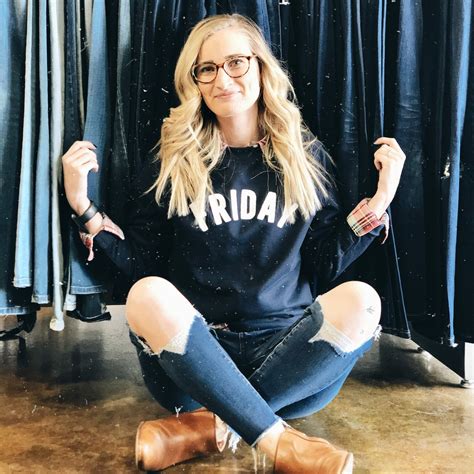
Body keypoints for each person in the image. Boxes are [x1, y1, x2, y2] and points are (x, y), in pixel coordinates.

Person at [62, 13, 405, 474]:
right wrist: (83, 204)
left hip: (290, 359)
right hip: (192, 366)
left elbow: (324, 265)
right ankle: (277, 439)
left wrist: (380, 201)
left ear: (262, 67)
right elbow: (142, 263)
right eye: (207, 69)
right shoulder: (172, 160)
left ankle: (208, 428)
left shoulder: (305, 157)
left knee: (363, 300)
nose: (222, 79)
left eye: (237, 63)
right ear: (195, 82)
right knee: (146, 293)